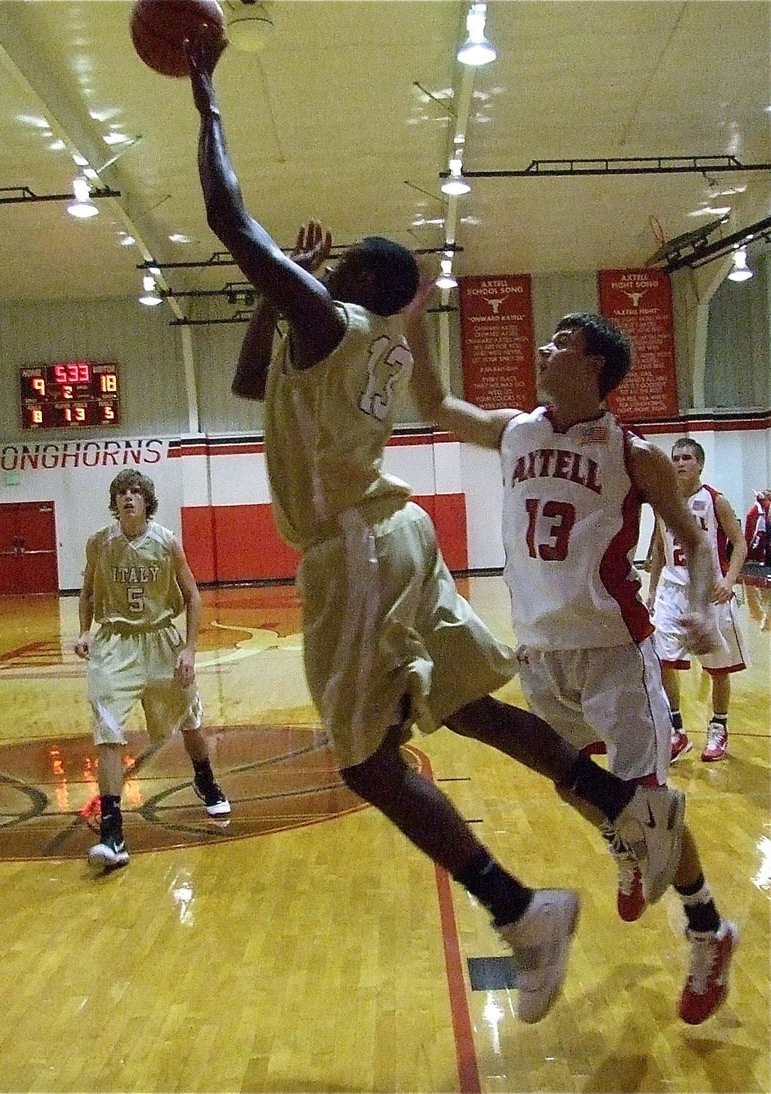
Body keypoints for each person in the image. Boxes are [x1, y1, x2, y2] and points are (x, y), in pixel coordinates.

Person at [186, 35, 686, 1025]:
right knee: (463, 705)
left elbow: (227, 219)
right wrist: (276, 290)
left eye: (326, 275)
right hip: (396, 534)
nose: (309, 281)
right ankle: (625, 805)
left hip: (355, 551)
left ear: (351, 289)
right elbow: (249, 380)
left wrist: (205, 97)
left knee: (367, 761)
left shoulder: (335, 325)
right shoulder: (334, 340)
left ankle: (521, 910)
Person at [409, 307, 738, 1024]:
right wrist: (415, 323)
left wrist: (702, 609)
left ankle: (709, 929)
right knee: (573, 784)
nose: (544, 348)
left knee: (651, 809)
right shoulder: (515, 429)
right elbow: (434, 404)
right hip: (539, 650)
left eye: (562, 343)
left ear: (594, 365)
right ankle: (622, 842)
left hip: (614, 651)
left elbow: (692, 539)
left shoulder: (634, 453)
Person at [74, 469, 230, 869]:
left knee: (191, 723)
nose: (128, 497)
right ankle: (112, 833)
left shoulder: (166, 542)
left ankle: (205, 780)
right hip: (115, 644)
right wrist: (85, 631)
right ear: (115, 502)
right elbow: (87, 592)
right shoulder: (99, 543)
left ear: (147, 501)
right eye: (122, 492)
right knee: (108, 732)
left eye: (135, 492)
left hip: (160, 640)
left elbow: (193, 597)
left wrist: (190, 650)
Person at [647, 438, 748, 762]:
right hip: (671, 591)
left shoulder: (716, 501)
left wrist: (729, 581)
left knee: (718, 669)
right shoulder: (663, 501)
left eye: (686, 457)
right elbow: (659, 549)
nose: (679, 463)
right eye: (675, 457)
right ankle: (676, 730)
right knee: (663, 661)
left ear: (700, 464)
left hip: (709, 592)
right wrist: (652, 590)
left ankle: (719, 727)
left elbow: (740, 544)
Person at [742, 488, 770, 630]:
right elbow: (751, 535)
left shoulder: (756, 511)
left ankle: (763, 616)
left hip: (760, 557)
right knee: (760, 589)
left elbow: (750, 535)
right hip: (759, 558)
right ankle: (762, 616)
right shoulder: (756, 511)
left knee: (761, 590)